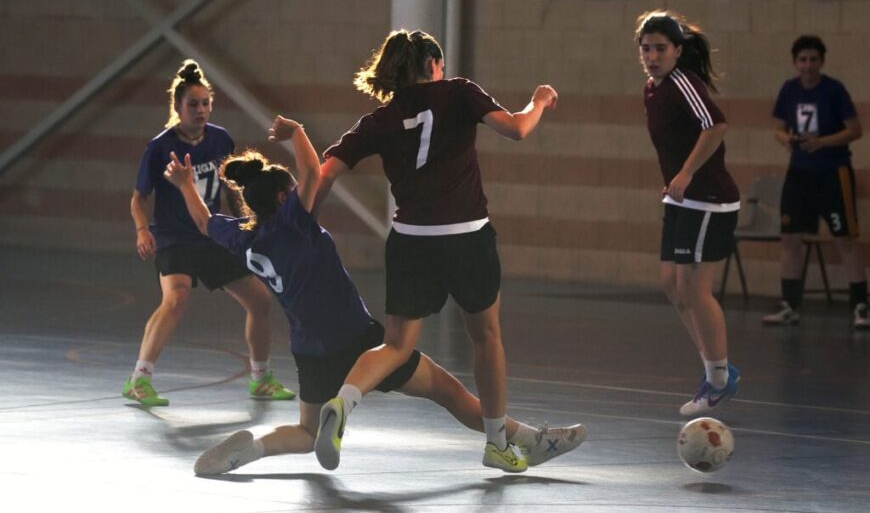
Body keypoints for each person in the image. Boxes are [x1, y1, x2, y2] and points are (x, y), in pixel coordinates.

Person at [161, 117, 586, 475]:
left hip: (309, 351)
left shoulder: (244, 238)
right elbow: (313, 172)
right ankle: (535, 441)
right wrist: (296, 133)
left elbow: (203, 223)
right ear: (282, 198)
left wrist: (184, 185)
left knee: (308, 434)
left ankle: (252, 448)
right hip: (358, 340)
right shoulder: (293, 223)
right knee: (450, 393)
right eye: (293, 190)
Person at [312, 29, 560, 472]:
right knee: (486, 337)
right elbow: (518, 130)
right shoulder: (458, 93)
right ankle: (497, 443)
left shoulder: (380, 119)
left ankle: (344, 403)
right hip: (467, 236)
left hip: (411, 242)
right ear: (432, 65)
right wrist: (538, 101)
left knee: (396, 346)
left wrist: (305, 218)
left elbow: (326, 171)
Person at [125, 59, 294, 406]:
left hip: (212, 233)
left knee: (260, 300)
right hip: (174, 237)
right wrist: (143, 230)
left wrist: (248, 226)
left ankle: (260, 379)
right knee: (177, 297)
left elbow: (232, 192)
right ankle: (139, 380)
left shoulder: (220, 140)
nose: (200, 110)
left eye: (205, 104)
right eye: (193, 104)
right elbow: (139, 198)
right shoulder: (160, 147)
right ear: (177, 107)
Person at [635, 11, 741, 416]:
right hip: (680, 201)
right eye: (646, 49)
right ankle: (716, 369)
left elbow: (716, 126)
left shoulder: (683, 84)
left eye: (661, 48)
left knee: (696, 291)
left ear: (677, 50)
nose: (653, 56)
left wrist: (686, 172)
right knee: (672, 285)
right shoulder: (651, 88)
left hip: (709, 199)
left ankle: (719, 378)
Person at [761, 35, 867, 329]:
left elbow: (855, 130)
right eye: (803, 60)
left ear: (822, 61)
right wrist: (789, 140)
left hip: (833, 173)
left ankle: (860, 306)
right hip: (799, 174)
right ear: (795, 62)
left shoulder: (834, 90)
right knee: (790, 238)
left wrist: (822, 143)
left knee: (845, 239)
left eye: (813, 60)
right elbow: (778, 128)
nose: (808, 65)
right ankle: (790, 305)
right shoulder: (789, 89)